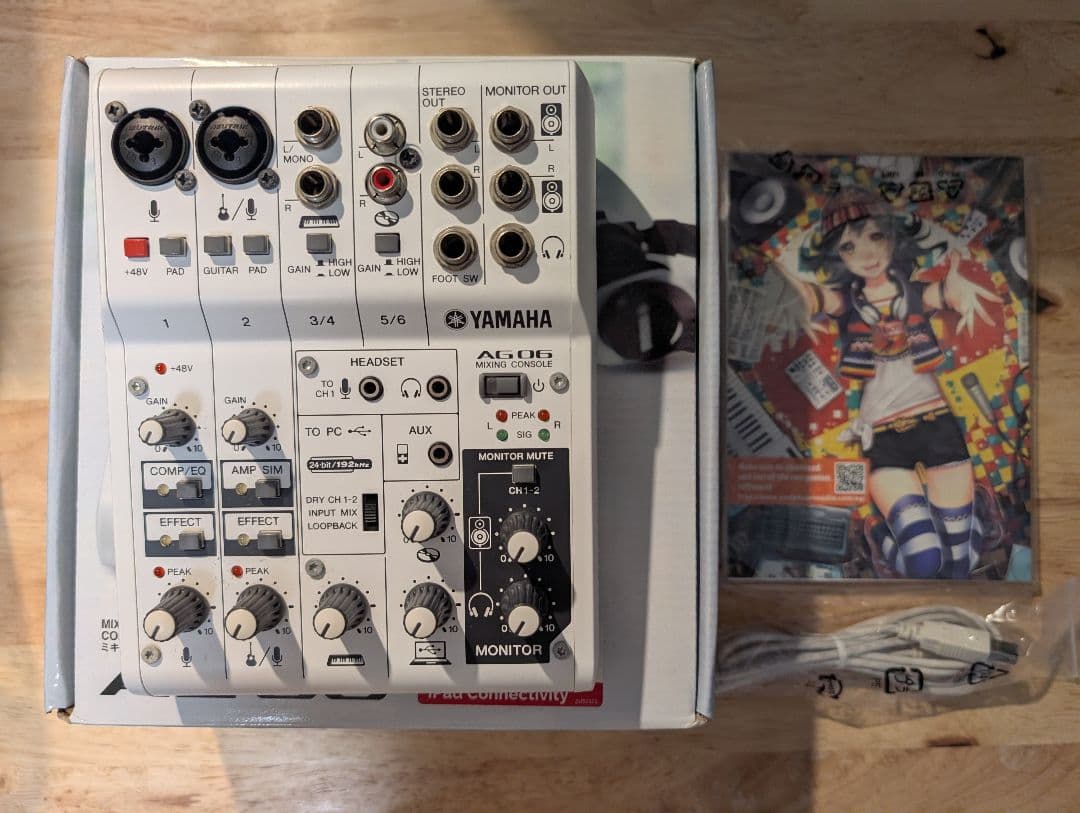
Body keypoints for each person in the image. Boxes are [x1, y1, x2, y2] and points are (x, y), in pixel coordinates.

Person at [779, 186, 1001, 578]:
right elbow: (811, 296)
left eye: (875, 236)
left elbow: (945, 293)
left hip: (937, 426)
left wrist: (956, 288)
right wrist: (778, 281)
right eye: (849, 247)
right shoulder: (847, 303)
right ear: (838, 257)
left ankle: (973, 516)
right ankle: (880, 534)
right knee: (924, 562)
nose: (865, 254)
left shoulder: (914, 294)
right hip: (883, 437)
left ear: (893, 238)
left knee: (959, 567)